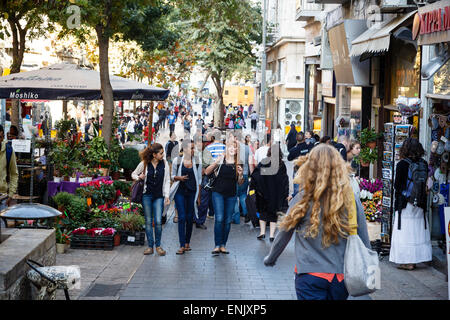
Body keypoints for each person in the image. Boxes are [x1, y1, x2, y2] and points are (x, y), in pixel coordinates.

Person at [263, 143, 370, 300]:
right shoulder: (350, 199)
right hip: (340, 277)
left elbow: (284, 233)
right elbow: (364, 239)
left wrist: (271, 258)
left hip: (309, 275)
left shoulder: (302, 198)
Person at [390, 138, 431, 270]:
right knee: (416, 231)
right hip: (420, 203)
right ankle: (414, 260)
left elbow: (397, 185)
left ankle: (406, 262)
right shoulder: (424, 164)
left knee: (405, 232)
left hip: (405, 204)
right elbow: (428, 184)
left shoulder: (402, 164)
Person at [132, 143, 171, 256]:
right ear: (154, 155)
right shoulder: (144, 164)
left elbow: (167, 180)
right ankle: (150, 246)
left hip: (159, 196)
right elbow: (133, 174)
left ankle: (158, 246)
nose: (163, 155)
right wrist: (139, 177)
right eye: (161, 153)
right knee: (148, 221)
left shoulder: (164, 164)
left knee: (158, 221)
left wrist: (167, 195)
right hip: (146, 196)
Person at [205, 139, 240, 255]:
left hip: (231, 194)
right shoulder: (221, 159)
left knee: (228, 220)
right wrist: (216, 162)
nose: (233, 149)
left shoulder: (238, 163)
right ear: (227, 147)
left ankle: (223, 245)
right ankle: (217, 245)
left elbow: (240, 182)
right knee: (219, 218)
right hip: (218, 193)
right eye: (231, 146)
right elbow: (207, 171)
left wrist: (240, 175)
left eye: (235, 147)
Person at [250, 143, 289, 242]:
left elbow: (255, 175)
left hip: (263, 193)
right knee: (273, 214)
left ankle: (262, 233)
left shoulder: (264, 162)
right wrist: (286, 194)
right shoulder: (281, 165)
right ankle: (271, 235)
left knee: (262, 212)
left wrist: (254, 188)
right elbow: (285, 180)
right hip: (276, 194)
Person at [171, 140, 202, 255]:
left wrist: (199, 197)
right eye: (191, 148)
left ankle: (187, 242)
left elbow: (199, 180)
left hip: (192, 192)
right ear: (184, 149)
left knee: (189, 218)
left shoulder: (197, 162)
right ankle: (181, 245)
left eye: (194, 148)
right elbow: (172, 176)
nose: (193, 150)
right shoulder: (177, 161)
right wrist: (179, 178)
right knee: (182, 217)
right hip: (180, 192)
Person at [0, 125, 18, 208]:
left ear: (3, 137)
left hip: (2, 197)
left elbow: (14, 174)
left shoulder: (8, 150)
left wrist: (10, 195)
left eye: (0, 137)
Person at [288, 132, 311, 197]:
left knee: (297, 191)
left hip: (297, 170)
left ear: (296, 139)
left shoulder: (294, 150)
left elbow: (289, 158)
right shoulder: (309, 146)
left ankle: (297, 203)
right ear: (304, 138)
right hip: (308, 170)